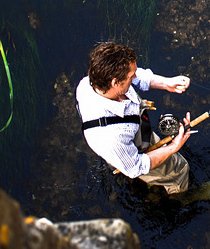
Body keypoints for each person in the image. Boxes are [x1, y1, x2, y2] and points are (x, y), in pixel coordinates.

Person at [76, 41, 195, 194]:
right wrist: (173, 147)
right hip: (128, 150)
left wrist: (166, 83)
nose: (135, 77)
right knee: (178, 170)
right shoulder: (112, 138)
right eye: (131, 77)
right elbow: (136, 167)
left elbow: (137, 74)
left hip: (130, 125)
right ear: (115, 83)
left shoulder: (89, 83)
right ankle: (183, 196)